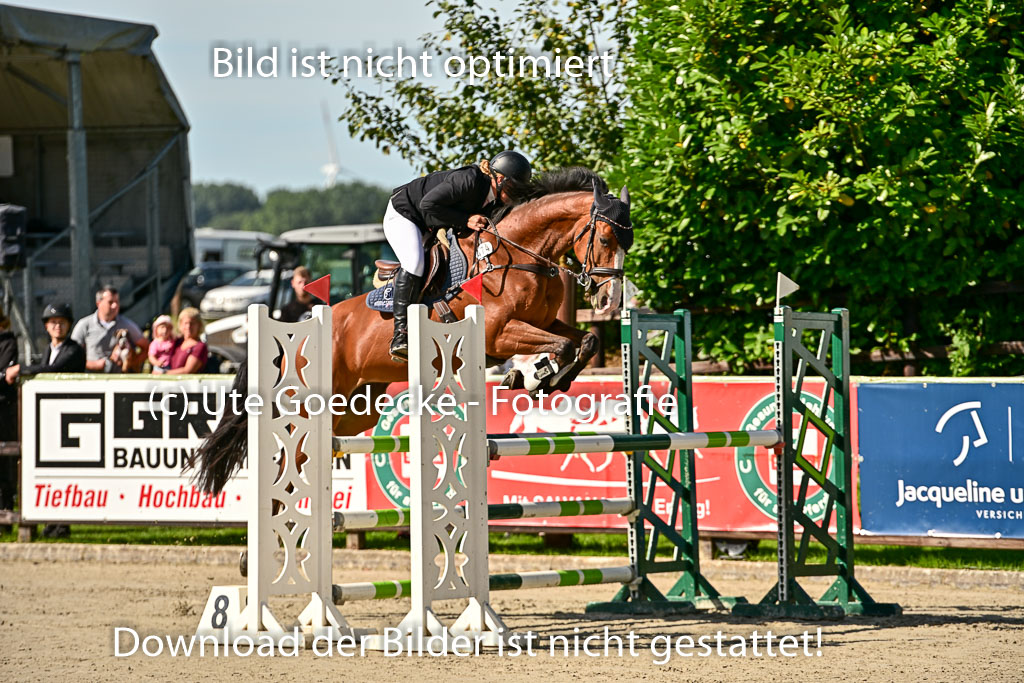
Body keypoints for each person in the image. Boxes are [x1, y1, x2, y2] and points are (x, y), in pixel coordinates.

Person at [385, 150, 532, 360]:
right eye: (514, 189)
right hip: (406, 214)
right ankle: (400, 334)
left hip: (433, 222)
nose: (516, 196)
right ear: (499, 179)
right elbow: (428, 204)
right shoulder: (469, 180)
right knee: (414, 262)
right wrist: (466, 220)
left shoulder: (496, 200)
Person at [4, 302, 86, 538]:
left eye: (61, 322)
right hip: (54, 417)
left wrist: (21, 369)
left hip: (71, 419)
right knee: (52, 471)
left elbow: (52, 369)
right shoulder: (51, 349)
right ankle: (52, 521)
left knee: (66, 472)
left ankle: (61, 524)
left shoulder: (73, 350)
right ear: (47, 327)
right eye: (53, 323)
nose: (57, 326)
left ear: (68, 325)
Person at [71, 286, 149, 373]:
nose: (115, 305)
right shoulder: (84, 325)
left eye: (117, 302)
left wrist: (131, 363)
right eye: (110, 302)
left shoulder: (127, 325)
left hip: (119, 380)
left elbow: (147, 348)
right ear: (98, 303)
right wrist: (92, 364)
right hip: (93, 380)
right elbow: (72, 355)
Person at [153, 308, 208, 375]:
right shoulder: (176, 342)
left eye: (192, 323)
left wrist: (163, 373)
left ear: (199, 325)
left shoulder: (200, 346)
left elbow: (188, 371)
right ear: (181, 325)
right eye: (185, 323)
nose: (188, 326)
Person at [0, 305, 17, 518]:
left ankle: (5, 516)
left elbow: (6, 376)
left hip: (3, 409)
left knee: (4, 464)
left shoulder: (8, 342)